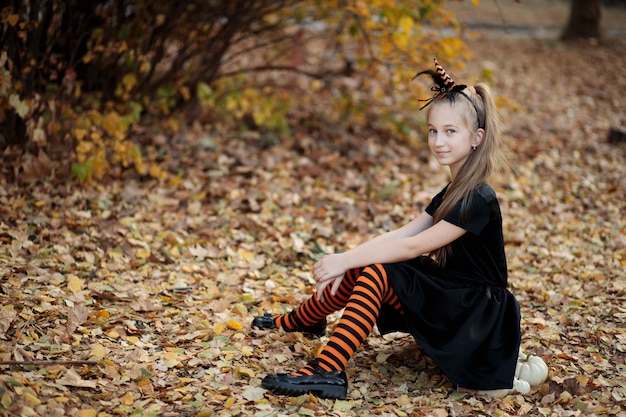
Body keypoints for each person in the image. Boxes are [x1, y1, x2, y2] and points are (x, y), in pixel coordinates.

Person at [252, 58, 522, 400]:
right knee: (373, 263)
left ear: (476, 138)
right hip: (453, 294)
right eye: (433, 131)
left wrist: (344, 261)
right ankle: (303, 320)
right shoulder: (453, 190)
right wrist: (349, 259)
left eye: (450, 131)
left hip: (476, 316)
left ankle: (328, 371)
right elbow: (401, 235)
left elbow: (413, 248)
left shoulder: (477, 197)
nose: (438, 141)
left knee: (380, 270)